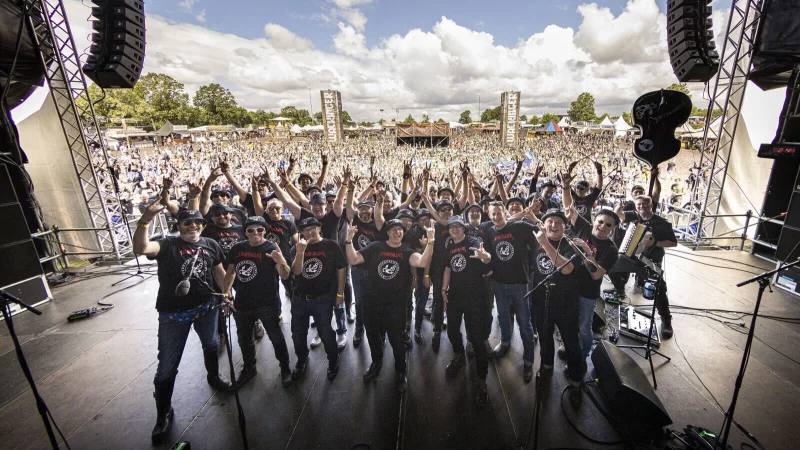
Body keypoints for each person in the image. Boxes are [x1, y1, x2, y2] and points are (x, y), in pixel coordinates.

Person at [132, 205, 233, 445]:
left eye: (197, 222)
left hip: (207, 308)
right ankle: (163, 412)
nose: (193, 226)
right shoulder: (167, 245)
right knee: (167, 368)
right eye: (187, 223)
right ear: (178, 227)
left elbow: (218, 273)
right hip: (173, 315)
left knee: (211, 344)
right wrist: (146, 219)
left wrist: (226, 296)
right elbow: (141, 248)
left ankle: (213, 376)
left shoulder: (211, 244)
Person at [345, 219, 434, 392]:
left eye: (400, 230)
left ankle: (401, 372)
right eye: (393, 229)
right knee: (372, 337)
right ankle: (377, 363)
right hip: (372, 304)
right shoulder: (375, 247)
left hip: (395, 306)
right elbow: (353, 259)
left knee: (397, 341)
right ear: (387, 232)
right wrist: (348, 240)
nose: (397, 232)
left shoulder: (406, 252)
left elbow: (422, 262)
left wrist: (431, 241)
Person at [222, 216, 293, 388]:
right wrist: (225, 293)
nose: (256, 233)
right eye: (251, 230)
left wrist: (281, 261)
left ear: (265, 231)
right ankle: (249, 368)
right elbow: (231, 271)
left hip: (267, 303)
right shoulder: (238, 248)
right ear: (245, 232)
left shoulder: (270, 248)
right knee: (244, 339)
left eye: (260, 229)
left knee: (276, 337)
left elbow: (285, 275)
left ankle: (285, 368)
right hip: (242, 303)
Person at [527, 209, 583, 409]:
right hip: (542, 302)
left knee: (571, 344)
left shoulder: (570, 244)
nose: (553, 225)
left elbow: (566, 268)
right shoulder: (536, 239)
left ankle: (576, 383)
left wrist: (544, 244)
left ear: (565, 226)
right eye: (549, 221)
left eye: (558, 222)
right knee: (544, 338)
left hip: (566, 305)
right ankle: (547, 366)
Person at [441, 215, 493, 406]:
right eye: (451, 227)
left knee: (477, 340)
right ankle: (458, 356)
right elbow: (448, 267)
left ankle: (481, 379)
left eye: (457, 227)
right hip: (455, 296)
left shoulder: (473, 241)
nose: (454, 230)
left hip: (475, 297)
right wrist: (443, 290)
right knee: (453, 331)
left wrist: (485, 256)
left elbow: (487, 258)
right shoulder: (449, 245)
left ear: (464, 228)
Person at [484, 201, 538, 382]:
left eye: (499, 213)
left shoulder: (520, 226)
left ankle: (529, 360)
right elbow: (490, 255)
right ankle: (505, 342)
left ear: (505, 212)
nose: (496, 217)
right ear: (489, 215)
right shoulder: (490, 232)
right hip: (499, 283)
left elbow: (539, 238)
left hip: (520, 284)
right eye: (492, 214)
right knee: (502, 315)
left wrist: (534, 266)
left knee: (524, 322)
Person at [290, 217, 347, 381]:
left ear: (319, 228)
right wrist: (301, 251)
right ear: (301, 232)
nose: (310, 232)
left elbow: (342, 268)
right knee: (297, 333)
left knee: (326, 332)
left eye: (313, 228)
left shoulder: (331, 245)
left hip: (322, 298)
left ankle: (333, 360)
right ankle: (301, 359)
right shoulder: (297, 247)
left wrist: (339, 293)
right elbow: (297, 271)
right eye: (306, 230)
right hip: (299, 298)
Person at [618, 195, 677, 339]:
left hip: (650, 261)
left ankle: (666, 320)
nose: (642, 206)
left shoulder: (662, 223)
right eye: (639, 204)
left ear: (651, 205)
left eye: (645, 204)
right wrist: (619, 206)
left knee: (659, 289)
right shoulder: (634, 217)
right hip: (631, 258)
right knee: (612, 267)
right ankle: (619, 292)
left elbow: (673, 243)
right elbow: (619, 214)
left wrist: (655, 243)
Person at [200, 203, 254, 347]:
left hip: (241, 270)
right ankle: (222, 332)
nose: (221, 216)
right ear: (212, 218)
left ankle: (253, 324)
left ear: (232, 214)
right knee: (221, 302)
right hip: (218, 272)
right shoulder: (208, 231)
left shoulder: (241, 229)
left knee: (246, 300)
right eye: (217, 214)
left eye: (224, 213)